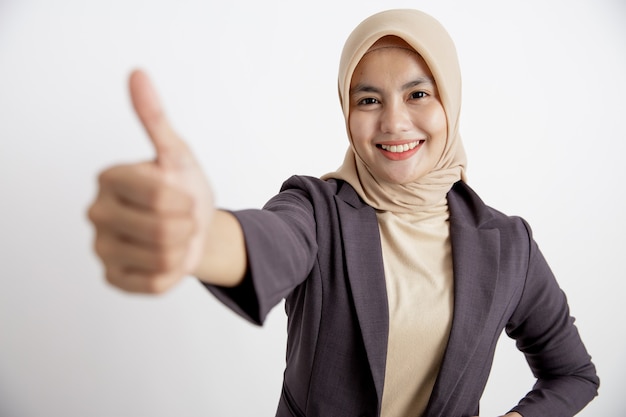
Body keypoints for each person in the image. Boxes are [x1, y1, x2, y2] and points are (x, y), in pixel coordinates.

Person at [87, 8, 599, 417]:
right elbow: (270, 241)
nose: (394, 122)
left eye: (418, 93)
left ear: (452, 102)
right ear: (346, 112)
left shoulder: (508, 244)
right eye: (368, 99)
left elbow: (573, 373)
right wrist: (200, 237)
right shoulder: (317, 208)